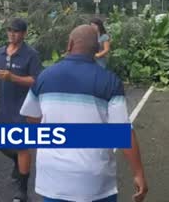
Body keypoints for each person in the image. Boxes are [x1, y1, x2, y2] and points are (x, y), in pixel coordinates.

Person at [20, 24, 148, 202]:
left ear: (70, 44)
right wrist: (138, 173)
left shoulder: (44, 77)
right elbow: (122, 133)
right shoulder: (110, 81)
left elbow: (32, 117)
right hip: (94, 180)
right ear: (96, 49)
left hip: (53, 177)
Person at [0, 17, 43, 202]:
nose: (12, 34)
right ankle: (17, 162)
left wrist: (13, 78)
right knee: (1, 143)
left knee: (22, 147)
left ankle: (22, 190)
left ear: (24, 33)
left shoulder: (31, 55)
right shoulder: (0, 53)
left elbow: (37, 80)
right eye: (10, 30)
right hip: (4, 107)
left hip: (23, 109)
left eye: (16, 31)